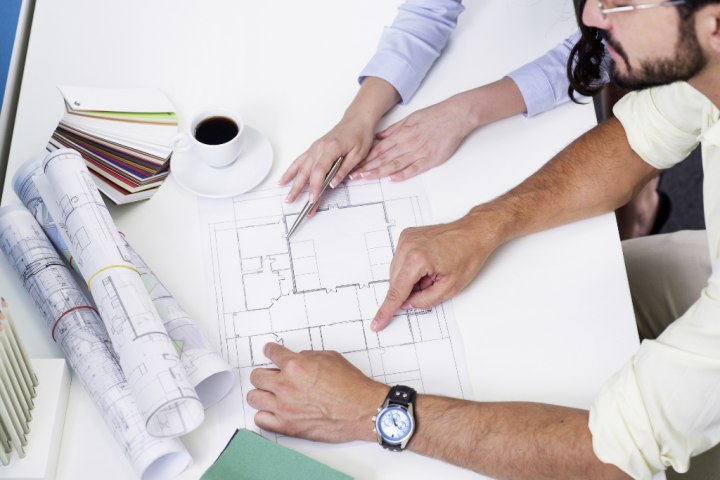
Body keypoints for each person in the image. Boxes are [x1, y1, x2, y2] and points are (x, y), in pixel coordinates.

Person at [248, 1, 720, 478]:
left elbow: (612, 457)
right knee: (582, 291)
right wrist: (482, 224)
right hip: (705, 266)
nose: (593, 19)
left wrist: (372, 411)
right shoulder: (709, 66)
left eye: (621, 3)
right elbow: (637, 139)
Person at [278, 0, 667, 238]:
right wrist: (358, 118)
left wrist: (465, 112)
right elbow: (430, 9)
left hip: (649, 34)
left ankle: (641, 205)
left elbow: (597, 52)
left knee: (643, 94)